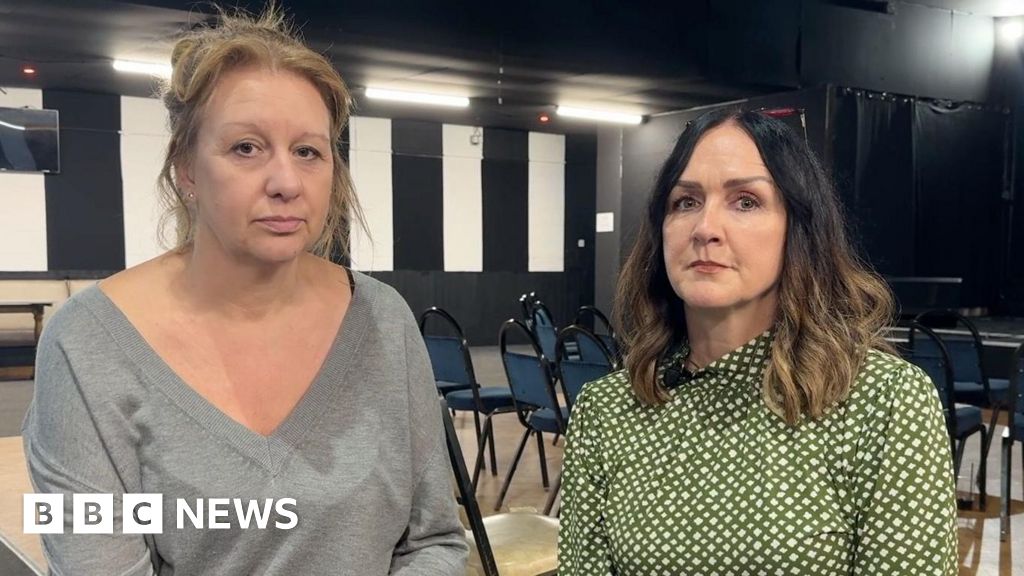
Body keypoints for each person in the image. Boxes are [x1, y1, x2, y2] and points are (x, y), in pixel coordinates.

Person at [21, 5, 467, 575]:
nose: (285, 183)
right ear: (186, 168)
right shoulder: (85, 346)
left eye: (308, 151)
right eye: (246, 148)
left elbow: (434, 541)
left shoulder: (383, 319)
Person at [557, 108, 957, 574]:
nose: (705, 228)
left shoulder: (884, 402)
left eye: (745, 201)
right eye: (685, 202)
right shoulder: (606, 410)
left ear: (799, 229)